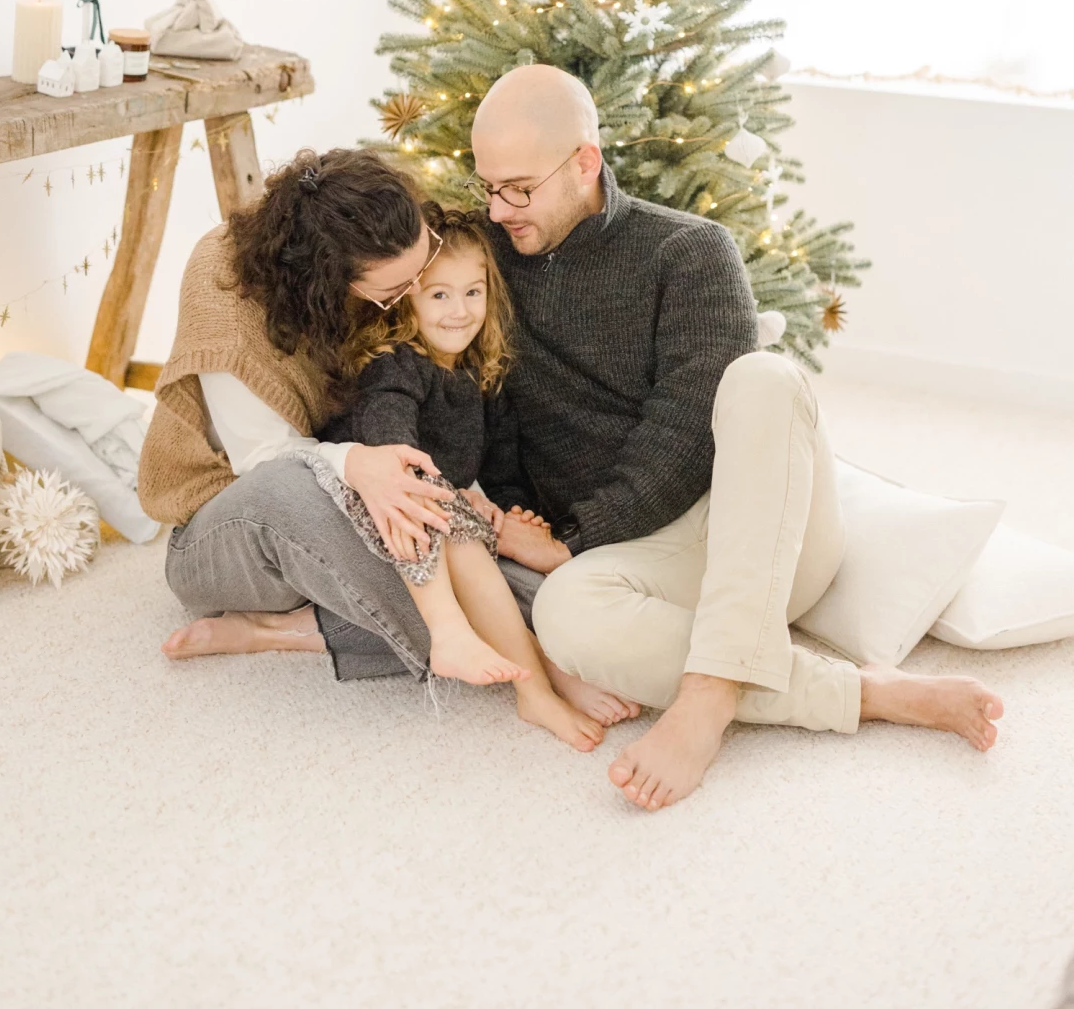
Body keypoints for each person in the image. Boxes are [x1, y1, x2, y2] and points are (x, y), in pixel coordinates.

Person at [467, 64, 1005, 812]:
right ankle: (870, 694)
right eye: (484, 186)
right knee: (564, 613)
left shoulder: (690, 251)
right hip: (645, 562)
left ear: (584, 161)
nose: (498, 210)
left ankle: (709, 697)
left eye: (518, 189)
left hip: (759, 527)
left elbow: (688, 428)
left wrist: (578, 535)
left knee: (763, 378)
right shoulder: (480, 264)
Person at [140, 146, 633, 730]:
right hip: (236, 527)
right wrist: (360, 465)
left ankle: (293, 633)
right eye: (398, 293)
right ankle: (541, 659)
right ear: (330, 286)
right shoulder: (222, 292)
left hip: (347, 518)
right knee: (365, 507)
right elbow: (262, 462)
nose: (420, 298)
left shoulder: (374, 221)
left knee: (462, 538)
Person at [300, 202, 603, 750]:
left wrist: (505, 509)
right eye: (439, 294)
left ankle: (544, 667)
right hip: (369, 508)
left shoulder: (480, 374)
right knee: (442, 509)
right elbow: (392, 446)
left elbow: (499, 467)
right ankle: (528, 685)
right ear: (405, 299)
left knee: (510, 564)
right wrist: (456, 496)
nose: (460, 311)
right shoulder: (394, 363)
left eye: (473, 291)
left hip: (434, 519)